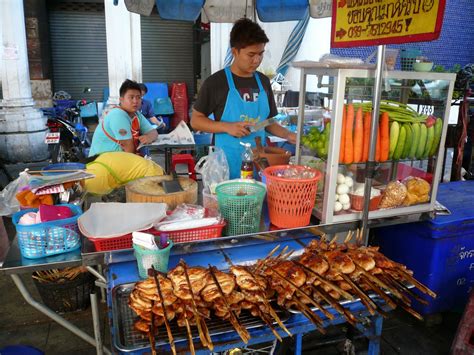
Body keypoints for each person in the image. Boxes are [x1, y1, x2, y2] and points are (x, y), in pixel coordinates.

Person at [191, 18, 296, 179]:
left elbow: (267, 122)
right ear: (235, 52)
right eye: (251, 54)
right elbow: (196, 121)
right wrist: (227, 127)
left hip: (259, 164)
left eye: (261, 54)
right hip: (227, 167)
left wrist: (288, 135)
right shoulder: (216, 83)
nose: (257, 60)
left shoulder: (263, 81)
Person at [88, 79, 158, 156]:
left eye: (138, 97)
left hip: (119, 158)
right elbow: (129, 149)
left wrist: (149, 137)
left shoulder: (137, 115)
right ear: (121, 100)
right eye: (131, 97)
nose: (135, 101)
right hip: (103, 160)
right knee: (150, 167)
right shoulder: (118, 115)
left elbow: (153, 132)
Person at [84, 151, 164, 195]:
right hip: (153, 169)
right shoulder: (97, 162)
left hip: (150, 177)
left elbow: (108, 193)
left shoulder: (94, 177)